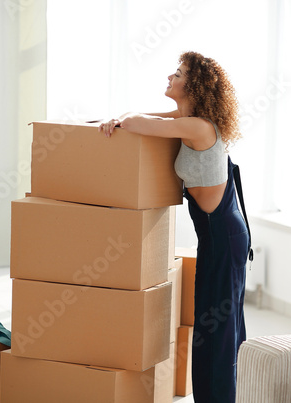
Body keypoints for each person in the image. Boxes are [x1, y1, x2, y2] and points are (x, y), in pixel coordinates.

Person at [99, 51, 251, 403]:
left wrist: (122, 120)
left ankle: (220, 397)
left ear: (193, 85)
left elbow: (140, 122)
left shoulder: (195, 126)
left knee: (217, 327)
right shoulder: (189, 118)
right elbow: (140, 117)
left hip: (223, 236)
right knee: (213, 322)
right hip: (217, 235)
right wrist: (117, 118)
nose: (171, 77)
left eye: (178, 73)